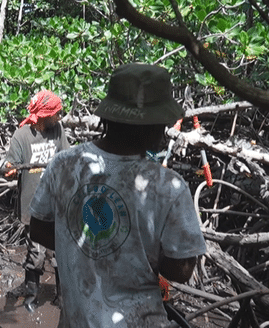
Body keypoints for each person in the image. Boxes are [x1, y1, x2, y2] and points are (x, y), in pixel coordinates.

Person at [29, 63, 207, 327]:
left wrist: (87, 248)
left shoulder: (63, 164)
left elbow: (38, 230)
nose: (164, 131)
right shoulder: (166, 185)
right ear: (148, 125)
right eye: (162, 123)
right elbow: (181, 269)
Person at [4, 89, 69, 310]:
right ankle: (31, 300)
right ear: (44, 114)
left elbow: (66, 159)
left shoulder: (58, 130)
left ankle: (62, 299)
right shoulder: (22, 136)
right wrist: (10, 171)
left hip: (58, 205)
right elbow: (10, 166)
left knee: (61, 254)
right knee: (36, 254)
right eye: (56, 114)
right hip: (33, 208)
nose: (59, 118)